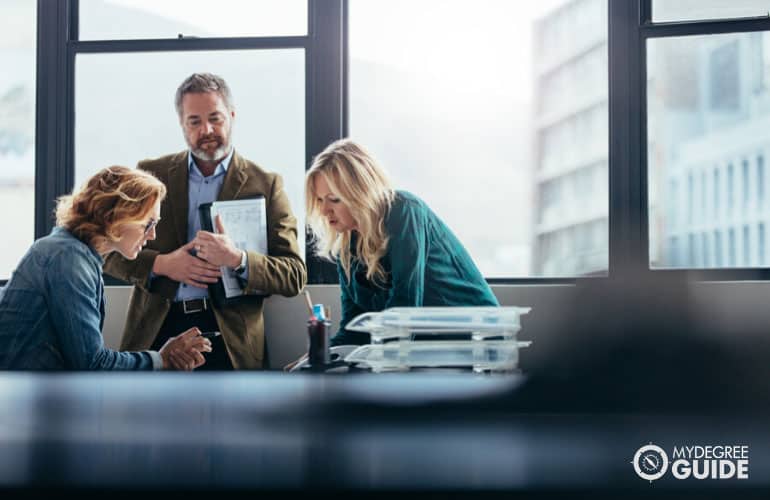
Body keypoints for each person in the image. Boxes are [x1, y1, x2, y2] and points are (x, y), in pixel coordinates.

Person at [104, 72, 306, 370]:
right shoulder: (150, 174)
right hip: (158, 330)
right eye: (195, 121)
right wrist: (163, 264)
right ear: (182, 124)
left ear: (232, 116)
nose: (207, 129)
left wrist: (238, 259)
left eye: (215, 118)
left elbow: (294, 276)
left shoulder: (266, 184)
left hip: (231, 341)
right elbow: (107, 251)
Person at [0, 166, 212, 370]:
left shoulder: (74, 253)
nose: (152, 235)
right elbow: (92, 364)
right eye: (147, 224)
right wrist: (161, 359)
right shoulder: (69, 259)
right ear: (116, 217)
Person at [305, 138, 499, 347]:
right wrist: (319, 359)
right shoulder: (347, 247)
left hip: (475, 343)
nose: (324, 211)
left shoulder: (404, 210)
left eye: (334, 199)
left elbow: (404, 309)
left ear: (359, 194)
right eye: (319, 200)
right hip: (424, 349)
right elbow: (353, 329)